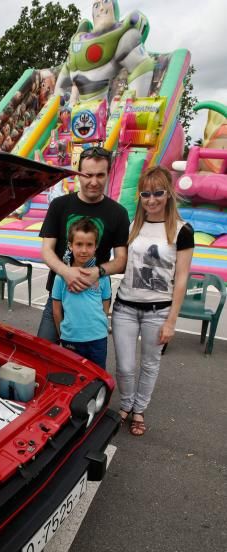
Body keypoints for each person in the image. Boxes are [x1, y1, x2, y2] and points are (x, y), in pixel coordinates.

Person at [112, 165, 194, 436]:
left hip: (158, 311)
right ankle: (125, 403)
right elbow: (121, 263)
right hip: (125, 306)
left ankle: (138, 409)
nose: (152, 200)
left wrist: (172, 321)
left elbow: (181, 279)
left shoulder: (182, 230)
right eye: (146, 194)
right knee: (124, 365)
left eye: (158, 193)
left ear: (169, 193)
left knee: (149, 364)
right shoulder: (132, 225)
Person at [37, 146, 129, 343]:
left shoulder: (118, 213)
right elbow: (46, 250)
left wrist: (98, 271)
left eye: (100, 175)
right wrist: (66, 272)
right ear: (79, 174)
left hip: (94, 300)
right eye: (87, 175)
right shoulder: (59, 206)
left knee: (87, 365)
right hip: (60, 297)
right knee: (45, 356)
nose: (94, 182)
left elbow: (121, 261)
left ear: (108, 174)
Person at [52, 218, 112, 369]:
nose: (84, 250)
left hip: (98, 338)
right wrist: (63, 334)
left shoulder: (102, 276)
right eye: (79, 244)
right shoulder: (61, 277)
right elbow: (56, 310)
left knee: (97, 377)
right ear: (70, 245)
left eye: (89, 245)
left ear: (96, 246)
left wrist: (101, 326)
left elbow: (105, 304)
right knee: (73, 377)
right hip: (71, 338)